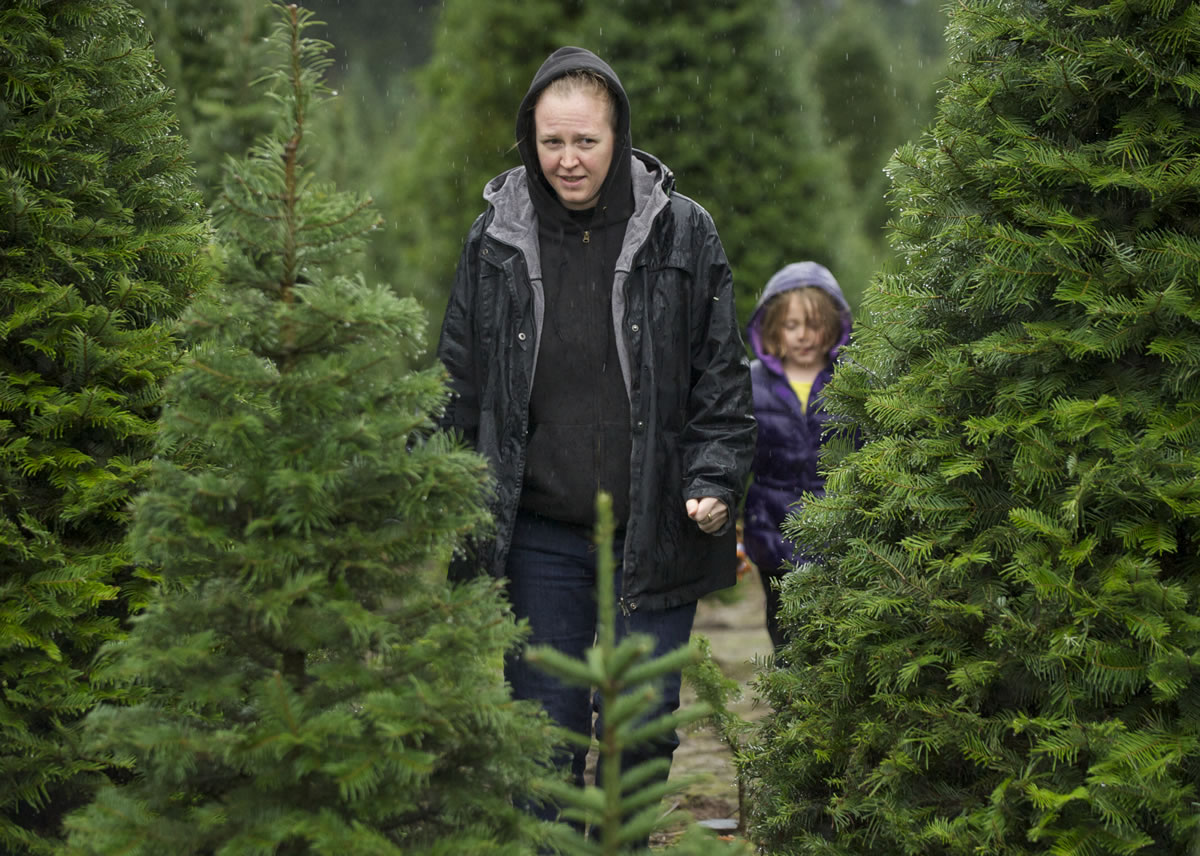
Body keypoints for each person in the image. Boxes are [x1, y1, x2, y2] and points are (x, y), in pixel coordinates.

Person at [435, 45, 755, 824]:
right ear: (529, 141)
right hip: (539, 532)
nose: (568, 160)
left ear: (619, 137)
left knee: (641, 737)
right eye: (551, 143)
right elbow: (458, 379)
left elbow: (721, 378)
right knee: (541, 738)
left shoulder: (683, 233)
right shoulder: (495, 242)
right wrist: (433, 486)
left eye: (586, 141)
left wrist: (712, 477)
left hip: (654, 528)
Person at [743, 262, 853, 651]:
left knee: (837, 635)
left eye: (813, 324)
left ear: (832, 327)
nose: (803, 336)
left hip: (837, 536)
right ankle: (791, 708)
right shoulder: (752, 384)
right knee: (786, 633)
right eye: (792, 326)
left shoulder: (852, 381)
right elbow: (737, 458)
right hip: (773, 533)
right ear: (773, 328)